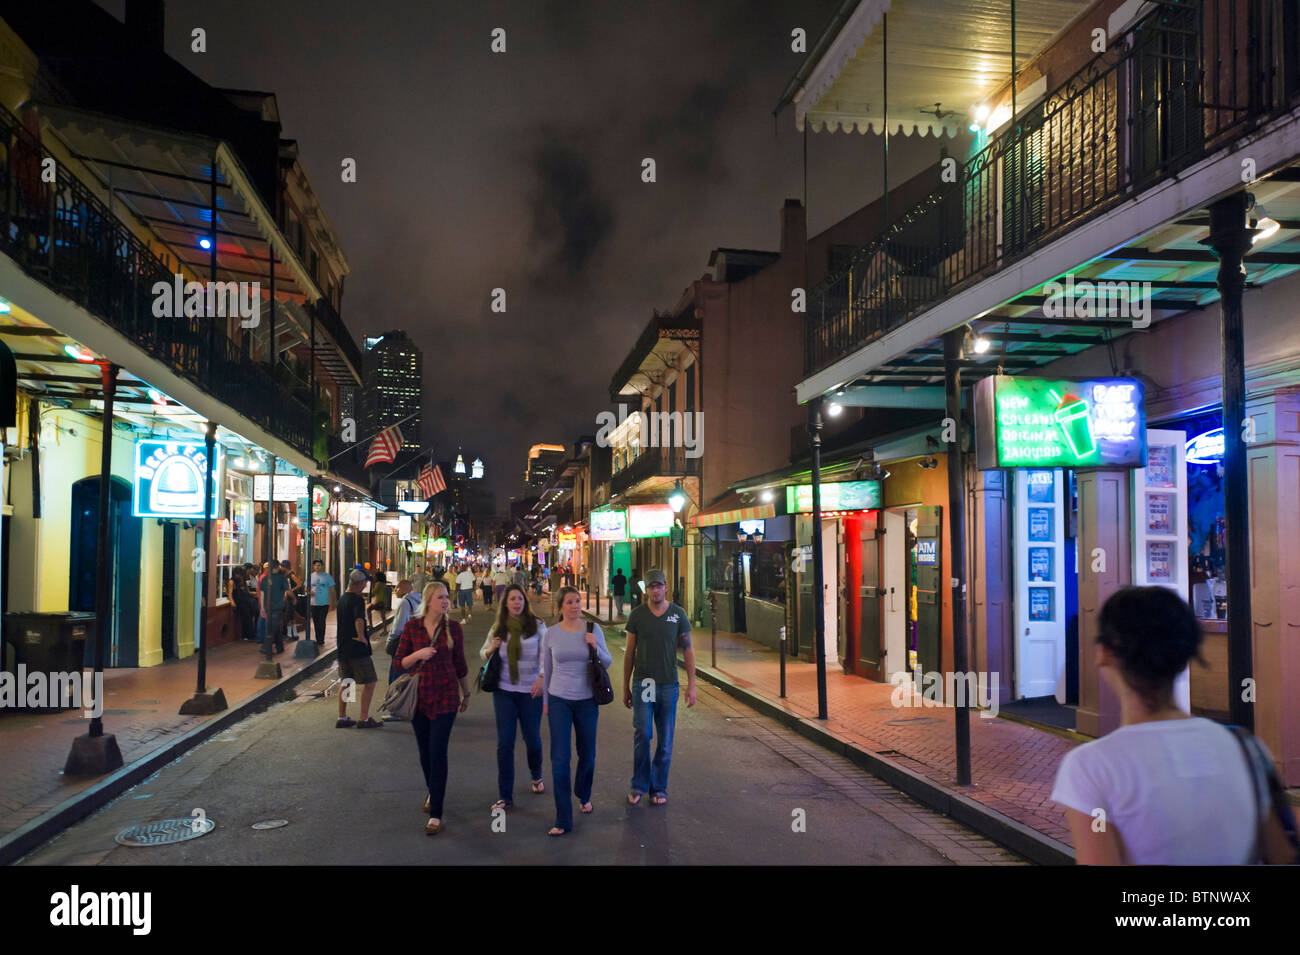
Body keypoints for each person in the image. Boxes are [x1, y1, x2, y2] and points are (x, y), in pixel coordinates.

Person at [1051, 586, 1298, 864]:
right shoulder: (1248, 750)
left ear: (1103, 653)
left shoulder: (1091, 767)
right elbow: (1283, 856)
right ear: (1184, 662)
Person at [394, 582, 470, 834]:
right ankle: (433, 791)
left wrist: (466, 691)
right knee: (425, 752)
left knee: (438, 752)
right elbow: (399, 663)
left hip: (447, 696)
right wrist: (418, 655)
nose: (446, 601)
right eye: (440, 597)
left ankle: (436, 813)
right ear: (428, 600)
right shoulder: (412, 628)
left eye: (447, 597)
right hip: (420, 698)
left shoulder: (454, 629)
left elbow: (460, 663)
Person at [541, 586, 612, 836]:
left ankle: (583, 793)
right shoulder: (550, 634)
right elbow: (547, 670)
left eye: (577, 601)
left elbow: (608, 661)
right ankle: (562, 818)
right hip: (560, 699)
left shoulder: (593, 630)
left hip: (586, 701)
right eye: (569, 602)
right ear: (561, 606)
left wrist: (595, 646)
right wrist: (546, 703)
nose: (575, 605)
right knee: (559, 759)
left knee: (587, 754)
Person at [622, 568, 696, 806]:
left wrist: (691, 685)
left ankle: (658, 787)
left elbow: (688, 649)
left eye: (659, 585)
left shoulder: (677, 614)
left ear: (666, 586)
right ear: (647, 590)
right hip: (644, 682)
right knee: (643, 733)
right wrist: (625, 685)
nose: (655, 590)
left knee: (665, 740)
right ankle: (638, 784)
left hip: (667, 683)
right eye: (651, 586)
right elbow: (629, 652)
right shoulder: (638, 615)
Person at [480, 584, 548, 810]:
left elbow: (546, 655)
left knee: (533, 740)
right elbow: (484, 653)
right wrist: (492, 649)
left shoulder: (538, 626)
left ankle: (536, 774)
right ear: (506, 603)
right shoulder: (498, 627)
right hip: (504, 691)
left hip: (531, 692)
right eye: (512, 599)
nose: (517, 602)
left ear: (525, 601)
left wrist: (541, 677)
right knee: (505, 743)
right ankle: (505, 796)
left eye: (520, 598)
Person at [335, 570, 382, 729]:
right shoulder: (357, 600)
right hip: (356, 648)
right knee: (370, 681)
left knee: (347, 681)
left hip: (343, 647)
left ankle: (342, 717)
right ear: (358, 583)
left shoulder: (342, 599)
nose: (365, 585)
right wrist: (361, 636)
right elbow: (359, 619)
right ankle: (364, 718)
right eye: (364, 583)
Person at [260, 562, 289, 658]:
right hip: (277, 607)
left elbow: (262, 594)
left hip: (268, 607)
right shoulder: (281, 578)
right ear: (277, 567)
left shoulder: (264, 579)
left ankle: (279, 646)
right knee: (273, 627)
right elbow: (287, 591)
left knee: (275, 626)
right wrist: (293, 598)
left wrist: (262, 607)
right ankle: (265, 647)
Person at [309, 559, 335, 646]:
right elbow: (306, 587)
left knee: (321, 620)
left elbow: (332, 590)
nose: (317, 567)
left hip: (324, 603)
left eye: (319, 565)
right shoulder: (311, 576)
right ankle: (318, 638)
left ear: (322, 566)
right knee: (316, 621)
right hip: (313, 603)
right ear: (313, 566)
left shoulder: (327, 577)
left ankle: (321, 639)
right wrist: (310, 591)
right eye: (315, 565)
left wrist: (332, 603)